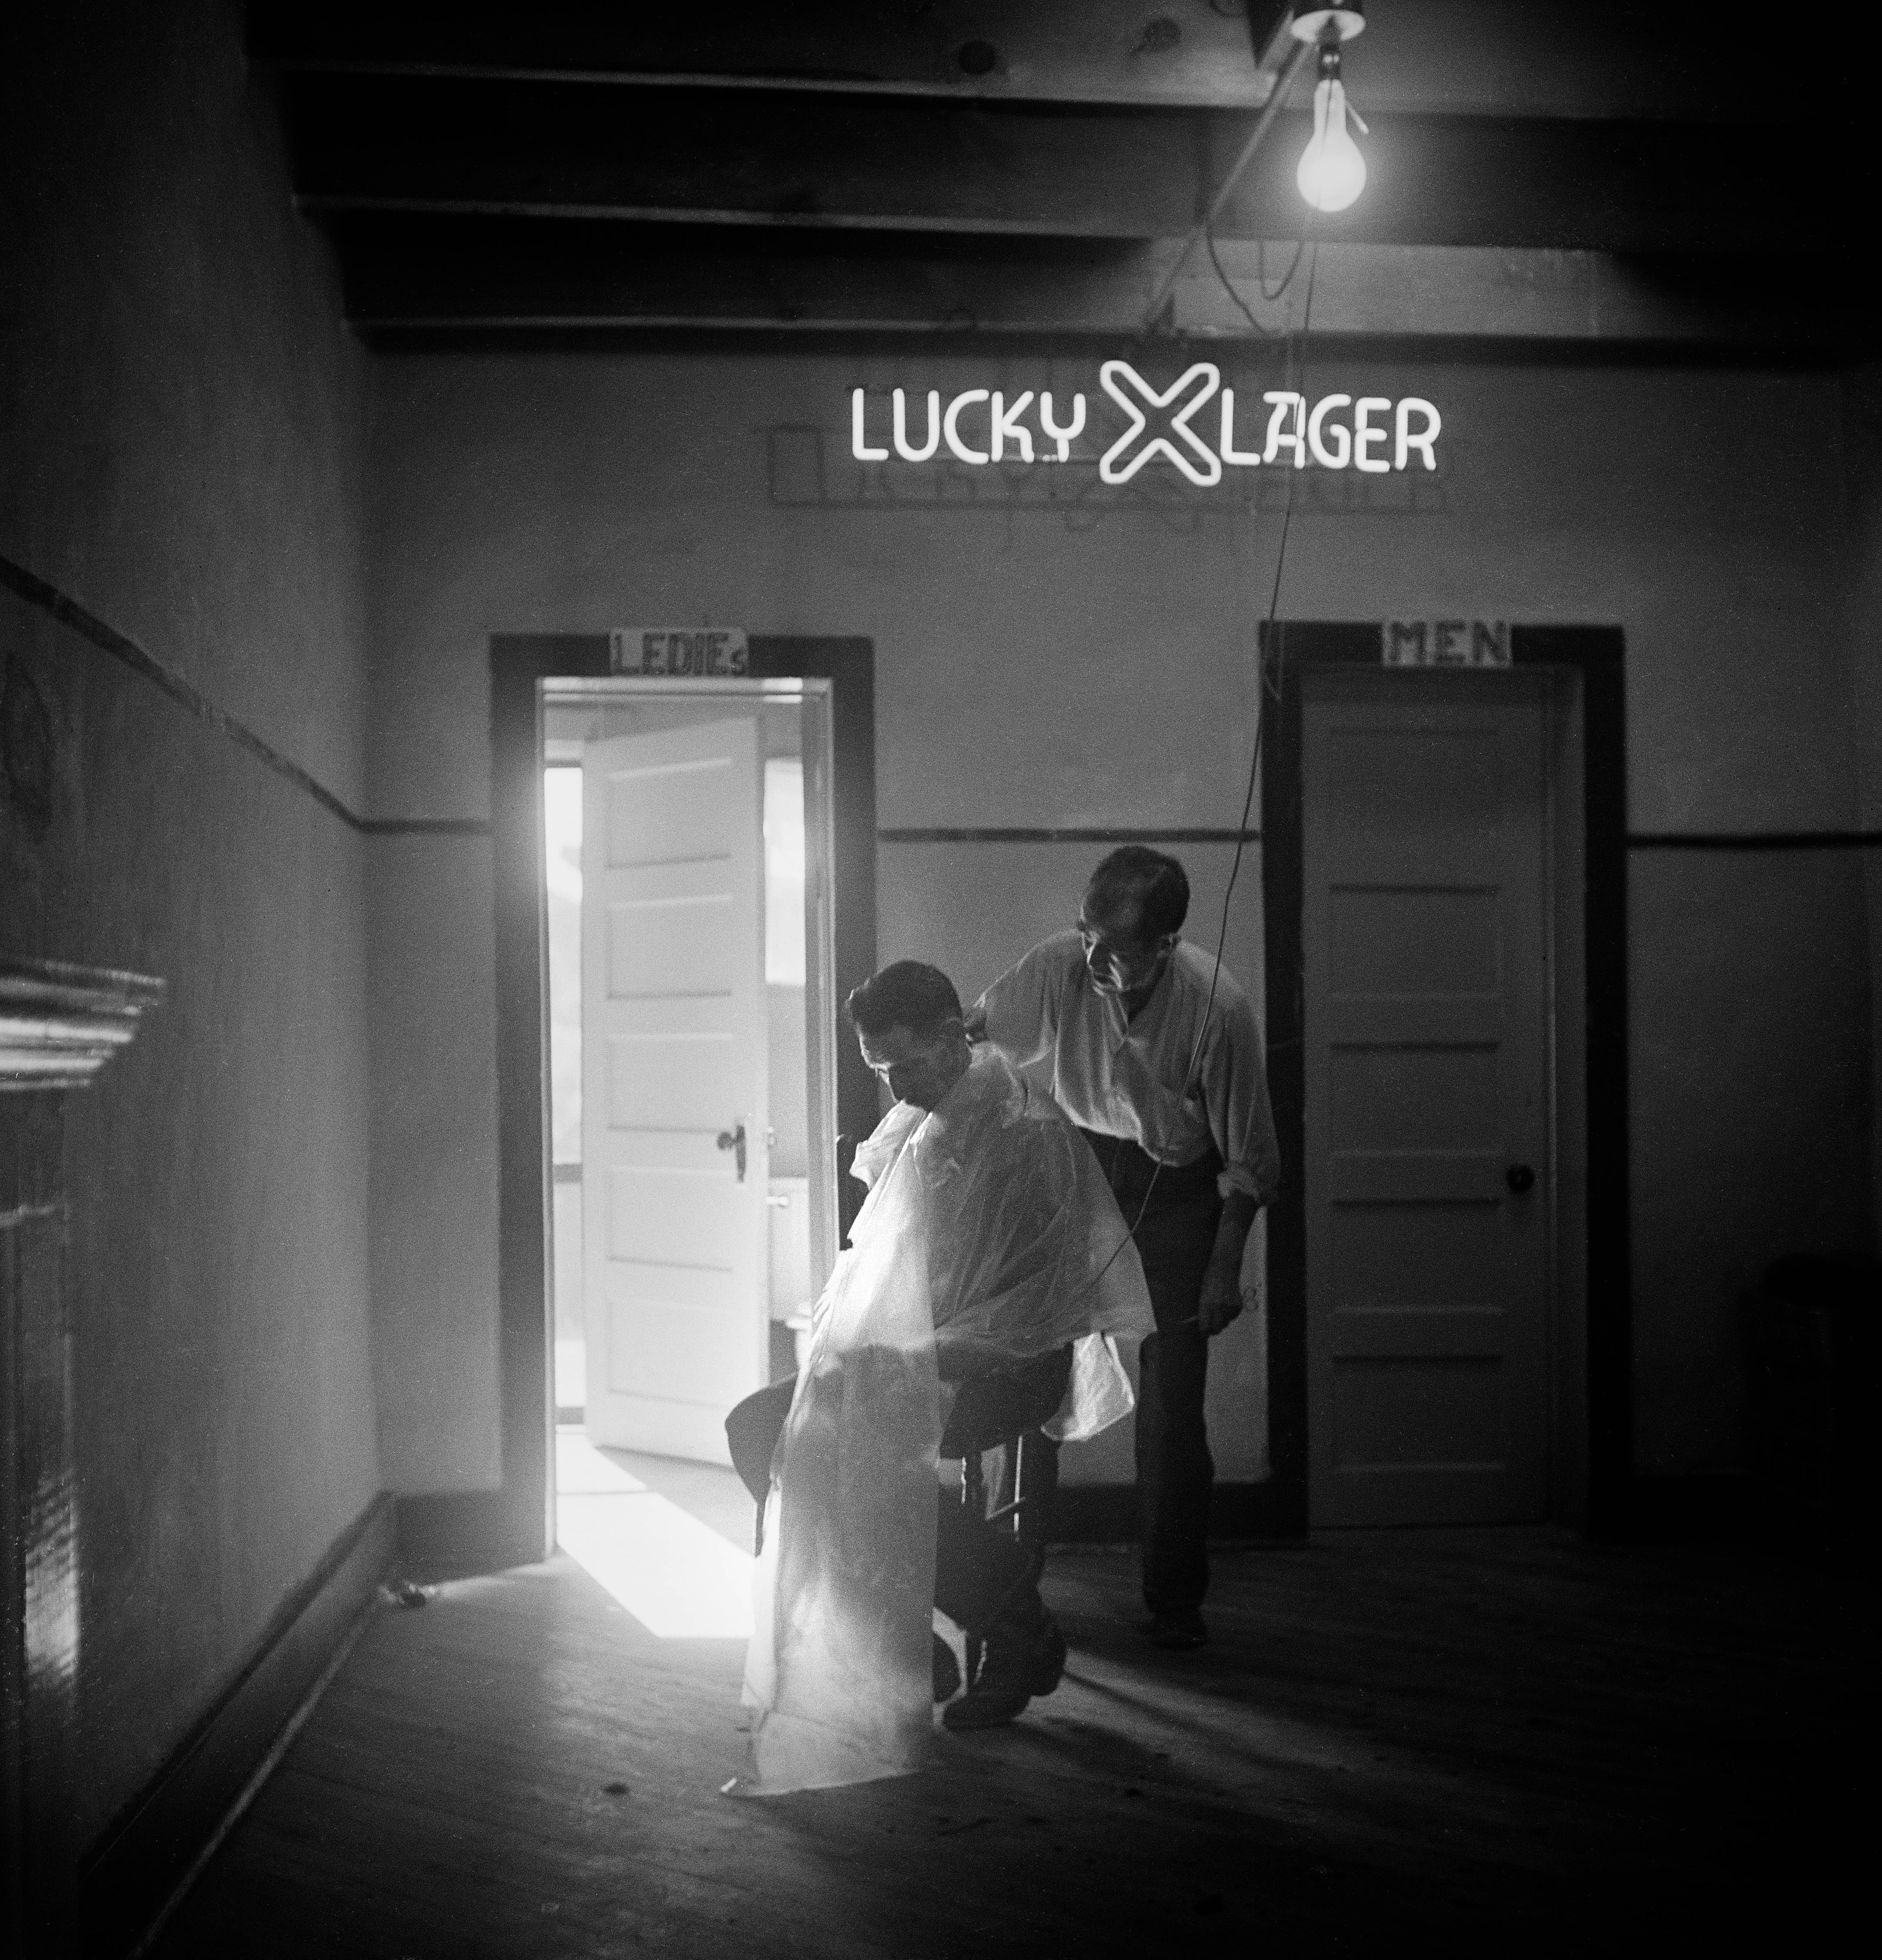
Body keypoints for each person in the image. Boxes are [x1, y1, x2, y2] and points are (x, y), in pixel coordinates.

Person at [727, 960, 1151, 1793]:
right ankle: (904, 1643)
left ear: (956, 1037)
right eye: (881, 1073)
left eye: (907, 1067)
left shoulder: (1026, 1133)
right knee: (758, 1428)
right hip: (917, 1356)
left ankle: (1014, 1621)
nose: (897, 1090)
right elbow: (887, 1274)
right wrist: (868, 1348)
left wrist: (918, 1354)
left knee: (865, 1448)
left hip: (1015, 1362)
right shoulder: (925, 1123)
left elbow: (1041, 1297)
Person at [968, 847, 1280, 1651]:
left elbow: (1248, 1160)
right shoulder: (1066, 964)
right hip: (1080, 1167)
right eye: (1087, 933)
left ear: (1167, 946)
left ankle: (1175, 1600)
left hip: (1180, 1192)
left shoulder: (1218, 1008)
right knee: (1031, 1366)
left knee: (1173, 1406)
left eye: (1115, 945)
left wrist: (1224, 1267)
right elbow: (981, 1028)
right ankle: (1008, 1588)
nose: (1095, 956)